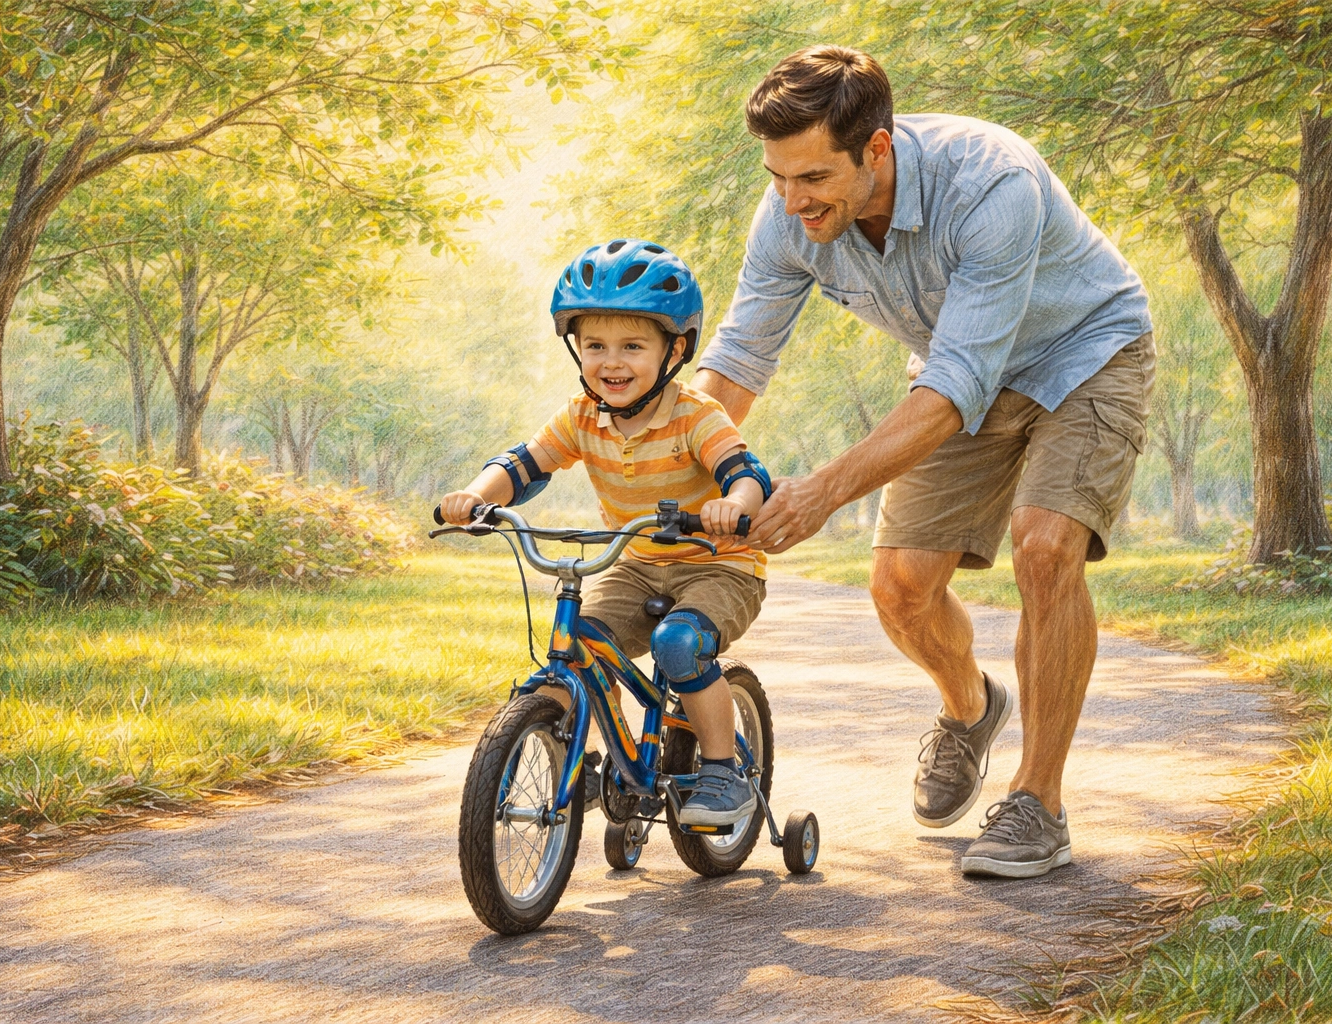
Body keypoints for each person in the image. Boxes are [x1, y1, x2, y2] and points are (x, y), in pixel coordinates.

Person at [693, 46, 1156, 878]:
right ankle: (969, 710)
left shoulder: (990, 184)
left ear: (877, 148)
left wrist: (820, 494)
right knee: (902, 588)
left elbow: (956, 387)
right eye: (777, 177)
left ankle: (1037, 804)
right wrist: (669, 463)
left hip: (1085, 355)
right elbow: (737, 358)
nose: (793, 201)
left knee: (1046, 548)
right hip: (953, 369)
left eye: (812, 179)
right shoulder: (790, 215)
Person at [440, 239, 773, 827]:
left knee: (679, 645)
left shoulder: (696, 414)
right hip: (635, 560)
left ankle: (724, 770)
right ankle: (596, 757)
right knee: (582, 644)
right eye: (595, 345)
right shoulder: (581, 416)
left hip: (719, 563)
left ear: (675, 350)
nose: (611, 362)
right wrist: (474, 497)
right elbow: (523, 464)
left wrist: (733, 504)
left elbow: (745, 473)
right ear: (577, 350)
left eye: (632, 346)